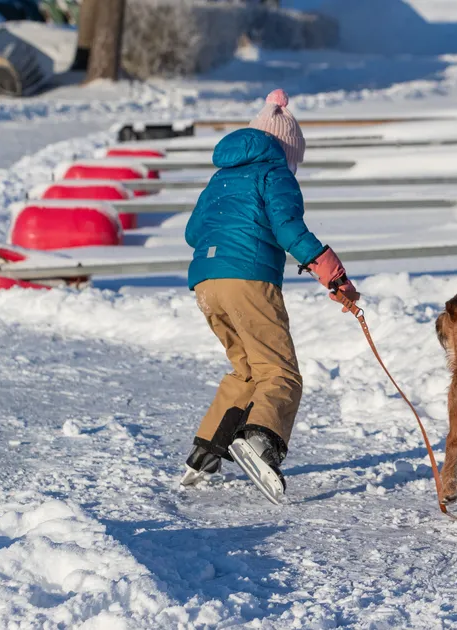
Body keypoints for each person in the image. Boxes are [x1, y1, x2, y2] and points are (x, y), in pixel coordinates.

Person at [180, 89, 359, 501]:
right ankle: (260, 442)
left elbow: (192, 233)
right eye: (294, 159)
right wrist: (333, 275)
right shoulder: (273, 174)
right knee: (280, 371)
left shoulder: (220, 177)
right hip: (248, 279)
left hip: (207, 283)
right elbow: (288, 230)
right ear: (284, 149)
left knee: (246, 369)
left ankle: (206, 452)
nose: (293, 168)